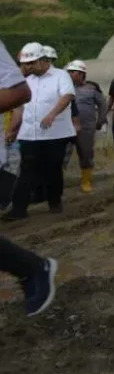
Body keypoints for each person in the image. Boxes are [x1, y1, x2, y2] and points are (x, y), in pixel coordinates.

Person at [0, 37, 59, 316]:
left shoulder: (59, 79)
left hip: (48, 137)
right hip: (27, 138)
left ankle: (33, 268)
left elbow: (18, 95)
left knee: (46, 174)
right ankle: (33, 268)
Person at [3, 42, 76, 221]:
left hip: (55, 134)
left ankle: (54, 201)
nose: (27, 67)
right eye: (25, 64)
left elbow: (67, 97)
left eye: (31, 63)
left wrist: (52, 115)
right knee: (26, 170)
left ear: (43, 60)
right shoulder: (25, 80)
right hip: (29, 134)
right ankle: (19, 209)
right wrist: (12, 130)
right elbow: (20, 109)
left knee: (52, 168)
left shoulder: (61, 75)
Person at [65, 60, 107, 193]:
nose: (70, 74)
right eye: (69, 72)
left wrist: (101, 119)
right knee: (62, 154)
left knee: (86, 154)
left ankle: (86, 181)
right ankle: (57, 183)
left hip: (86, 128)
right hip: (66, 128)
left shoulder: (91, 88)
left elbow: (102, 103)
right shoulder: (63, 87)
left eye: (73, 72)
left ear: (82, 74)